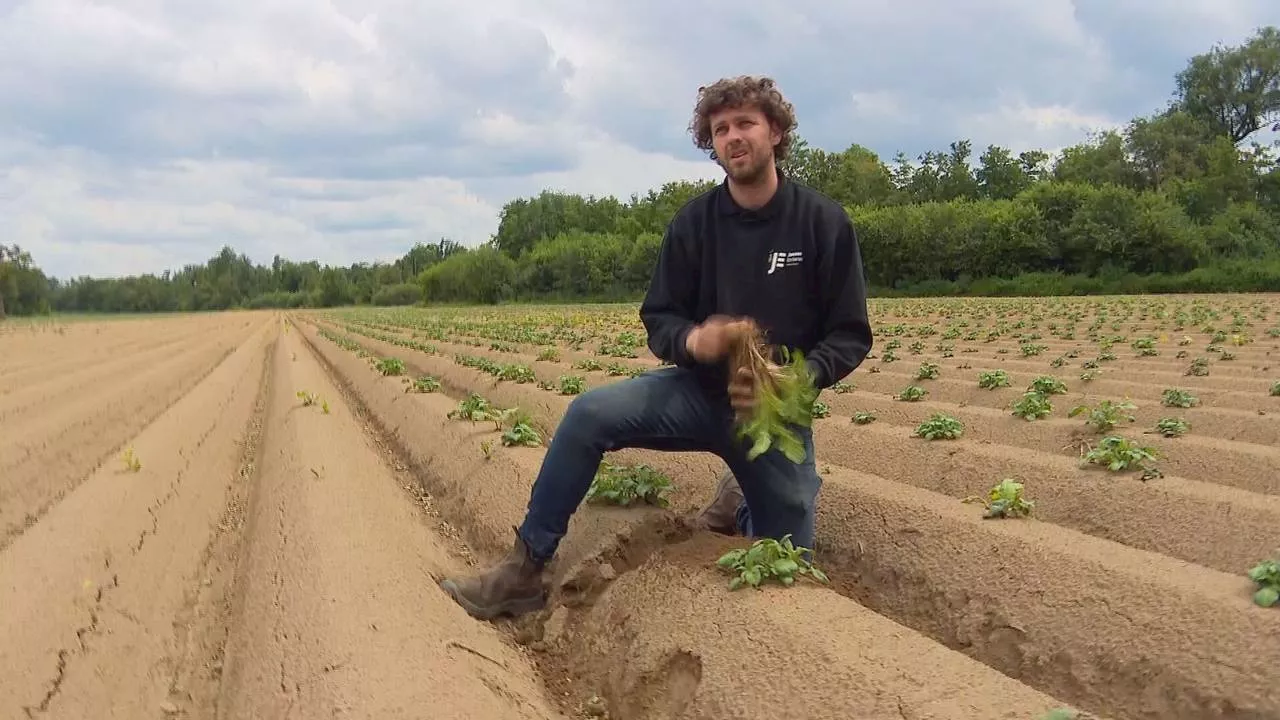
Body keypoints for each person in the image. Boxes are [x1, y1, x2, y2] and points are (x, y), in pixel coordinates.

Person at [439, 75, 874, 621]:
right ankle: (525, 568)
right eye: (721, 129)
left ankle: (742, 497)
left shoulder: (822, 223)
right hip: (697, 391)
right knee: (588, 413)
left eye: (745, 124)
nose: (733, 137)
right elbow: (660, 317)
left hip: (772, 410)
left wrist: (800, 376)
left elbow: (851, 334)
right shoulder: (694, 224)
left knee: (788, 553)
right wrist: (696, 339)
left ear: (776, 132)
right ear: (710, 144)